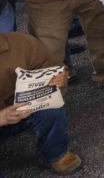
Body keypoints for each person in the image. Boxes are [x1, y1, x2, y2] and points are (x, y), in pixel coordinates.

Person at [0, 32, 82, 176]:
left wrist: (58, 80)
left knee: (50, 108)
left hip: (18, 111)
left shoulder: (22, 42)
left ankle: (55, 154)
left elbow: (46, 72)